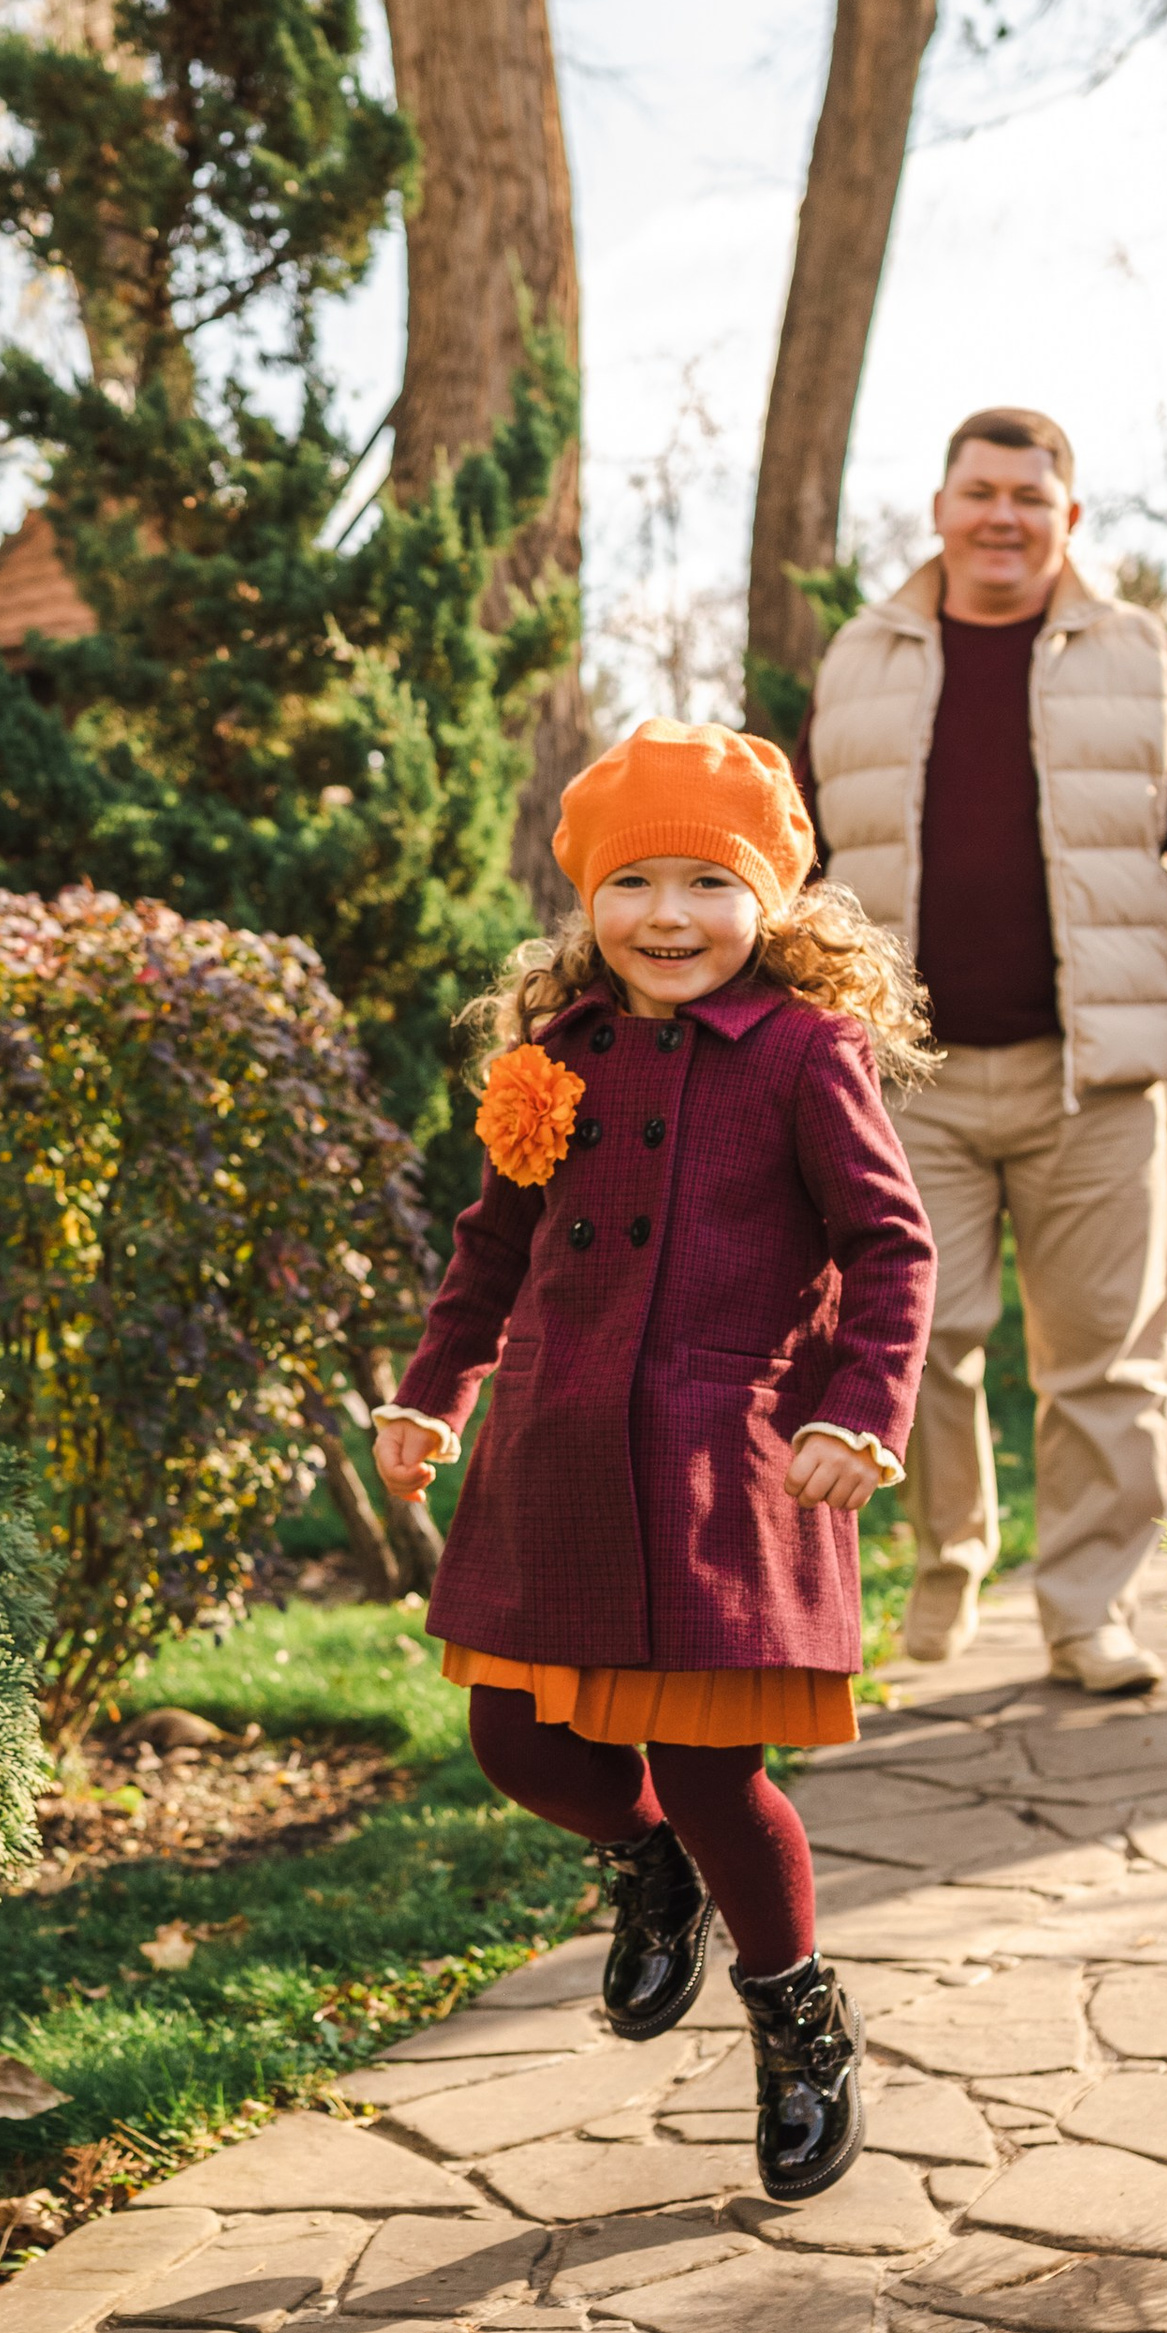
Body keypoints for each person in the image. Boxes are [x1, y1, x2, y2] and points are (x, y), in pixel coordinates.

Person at [371, 718, 935, 2206]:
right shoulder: (552, 1059)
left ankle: (798, 2014)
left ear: (773, 903)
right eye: (633, 883)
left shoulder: (809, 1057)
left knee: (706, 1763)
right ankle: (649, 1865)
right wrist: (437, 1389)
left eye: (708, 881)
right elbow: (490, 1250)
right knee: (521, 1742)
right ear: (586, 899)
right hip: (556, 1446)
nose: (669, 916)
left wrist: (860, 1405)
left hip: (721, 1459)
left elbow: (891, 1246)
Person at [800, 408, 1167, 1694]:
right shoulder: (857, 657)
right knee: (920, 1342)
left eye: (1030, 496)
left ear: (1067, 518)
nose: (1002, 517)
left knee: (1106, 1359)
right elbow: (799, 867)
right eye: (979, 491)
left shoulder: (1141, 655)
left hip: (1091, 1074)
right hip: (901, 1080)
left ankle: (1088, 1606)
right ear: (938, 507)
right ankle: (948, 1553)